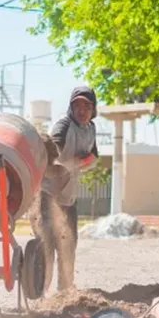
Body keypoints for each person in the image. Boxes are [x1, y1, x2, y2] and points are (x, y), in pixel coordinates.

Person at [31, 87, 99, 293]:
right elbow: (52, 155)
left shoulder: (90, 128)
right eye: (77, 105)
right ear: (71, 107)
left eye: (87, 105)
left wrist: (80, 161)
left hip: (68, 195)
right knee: (47, 246)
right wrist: (71, 162)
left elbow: (94, 155)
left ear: (93, 109)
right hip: (48, 194)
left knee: (68, 245)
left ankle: (64, 291)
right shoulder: (63, 125)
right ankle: (40, 293)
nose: (82, 110)